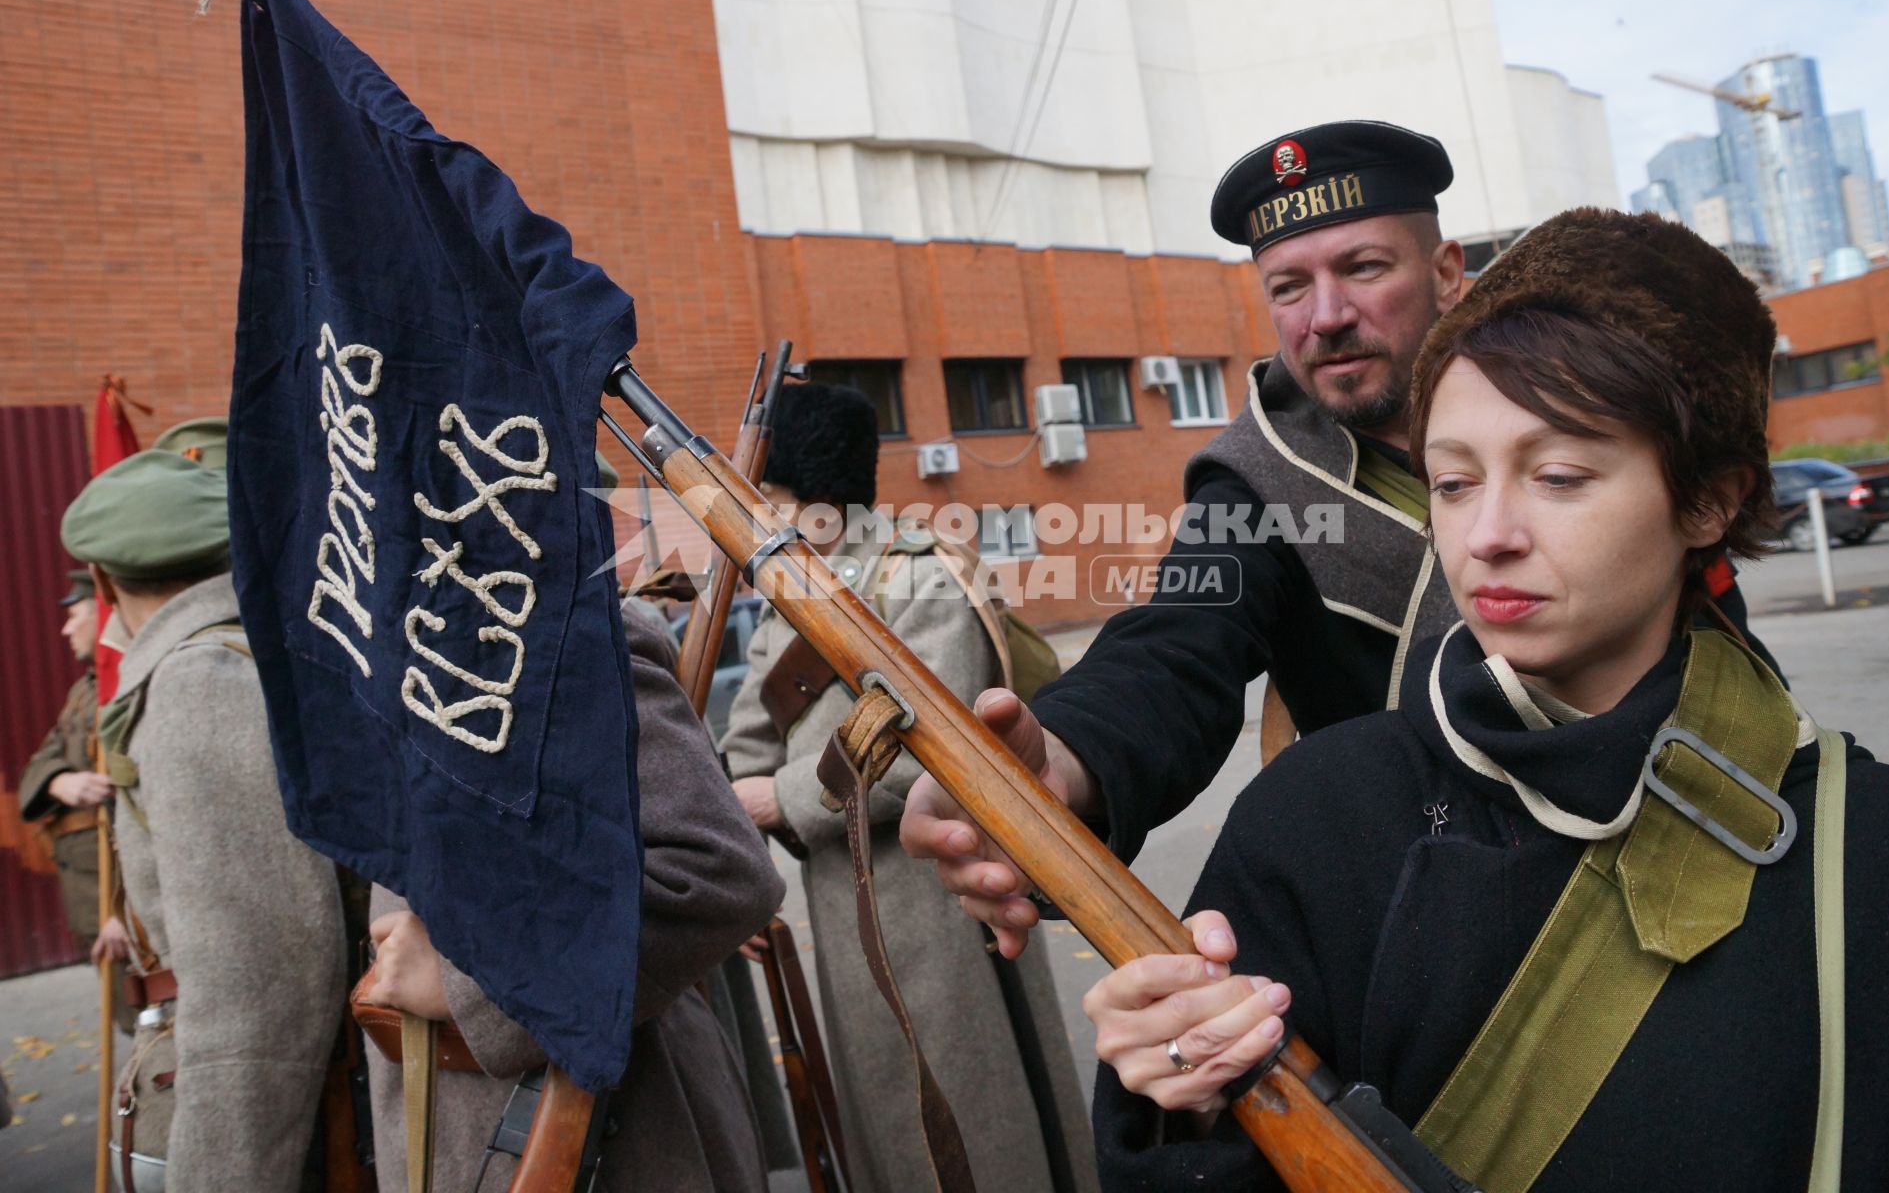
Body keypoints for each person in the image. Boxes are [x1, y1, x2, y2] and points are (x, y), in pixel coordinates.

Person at [1082, 209, 1889, 1190]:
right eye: (1450, 481)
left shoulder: (1880, 851)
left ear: (1710, 499)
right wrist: (1176, 1090)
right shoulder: (1311, 820)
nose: (1487, 535)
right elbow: (1172, 647)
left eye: (1559, 474)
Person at [900, 120, 1772, 961]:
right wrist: (1060, 760)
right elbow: (1173, 651)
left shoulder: (1577, 399)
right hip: (1441, 906)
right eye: (1288, 287)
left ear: (1446, 270)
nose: (1325, 316)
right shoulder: (1256, 481)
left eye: (1362, 269)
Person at [721, 381, 1097, 1193]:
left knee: (973, 1125)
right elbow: (744, 742)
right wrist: (729, 850)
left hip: (936, 898)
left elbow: (926, 752)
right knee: (885, 1127)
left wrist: (773, 802)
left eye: (773, 497)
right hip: (841, 897)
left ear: (814, 495)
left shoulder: (918, 576)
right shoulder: (792, 591)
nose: (763, 516)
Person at [355, 595, 787, 1191]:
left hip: (604, 1133)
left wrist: (472, 982)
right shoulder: (407, 621)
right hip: (472, 1125)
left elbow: (714, 874)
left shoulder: (540, 616)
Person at [61, 449, 347, 1192]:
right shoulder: (239, 654)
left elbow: (257, 985)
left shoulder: (203, 682)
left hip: (243, 1103)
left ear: (102, 578)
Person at [18, 570, 135, 1018]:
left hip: (119, 903)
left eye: (76, 616)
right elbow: (39, 762)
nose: (66, 629)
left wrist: (125, 910)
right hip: (91, 893)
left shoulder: (120, 689)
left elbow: (143, 811)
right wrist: (59, 781)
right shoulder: (83, 692)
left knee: (157, 1023)